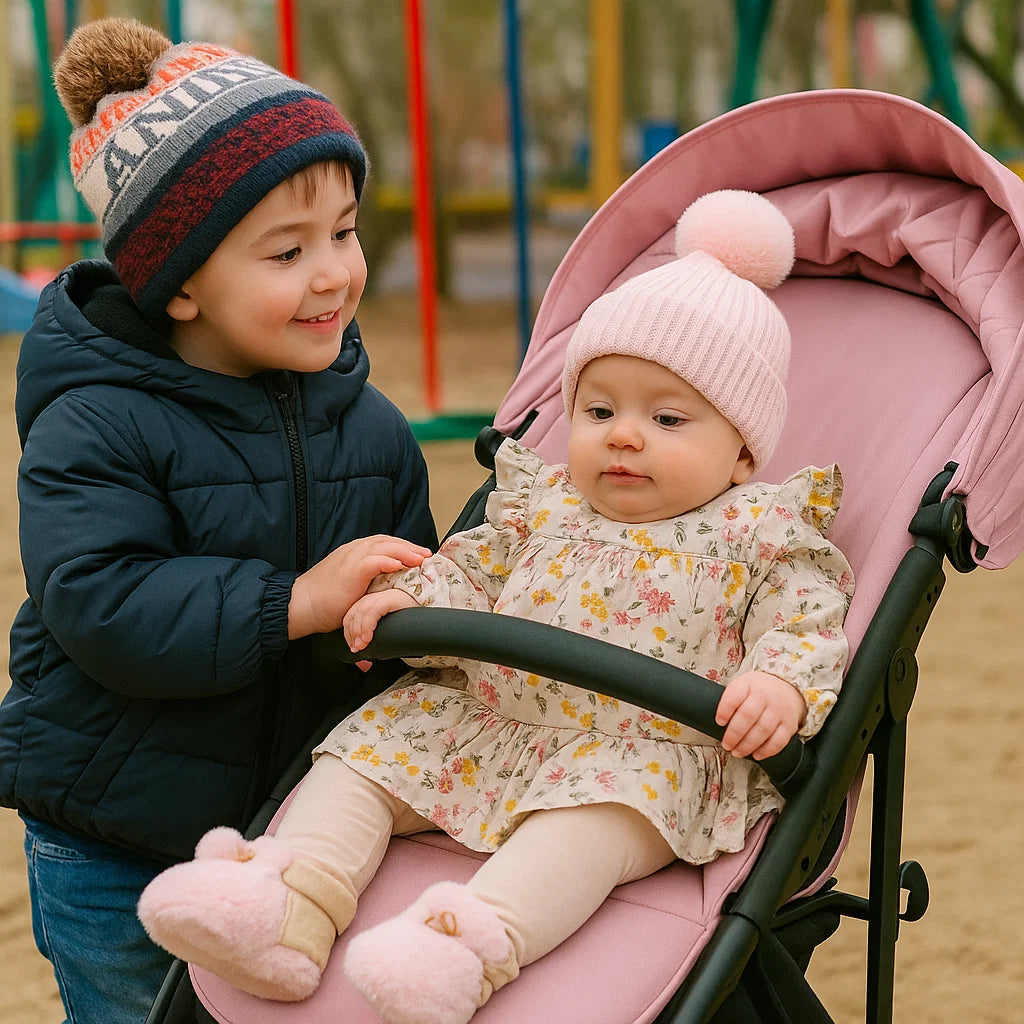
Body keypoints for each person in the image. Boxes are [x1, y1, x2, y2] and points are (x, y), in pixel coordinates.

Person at [138, 190, 855, 1024]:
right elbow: (471, 572)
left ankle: (461, 949)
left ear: (740, 452)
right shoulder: (538, 506)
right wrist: (412, 598)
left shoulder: (760, 532)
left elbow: (808, 624)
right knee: (362, 755)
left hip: (633, 753)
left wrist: (780, 686)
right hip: (484, 722)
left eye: (665, 417)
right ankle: (289, 904)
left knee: (585, 829)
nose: (622, 435)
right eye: (598, 410)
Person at [0, 17, 437, 1024]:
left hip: (287, 839)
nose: (333, 272)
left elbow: (402, 612)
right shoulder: (97, 420)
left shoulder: (371, 428)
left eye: (344, 232)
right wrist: (295, 601)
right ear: (180, 283)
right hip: (121, 842)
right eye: (287, 251)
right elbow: (99, 599)